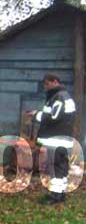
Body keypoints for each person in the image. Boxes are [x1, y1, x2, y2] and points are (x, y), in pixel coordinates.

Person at [35, 73, 76, 205]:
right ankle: (61, 192)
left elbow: (53, 117)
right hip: (64, 138)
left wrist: (36, 115)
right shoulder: (65, 96)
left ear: (55, 82)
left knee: (55, 167)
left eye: (47, 84)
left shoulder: (59, 97)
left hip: (56, 138)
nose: (46, 87)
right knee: (62, 167)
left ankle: (55, 196)